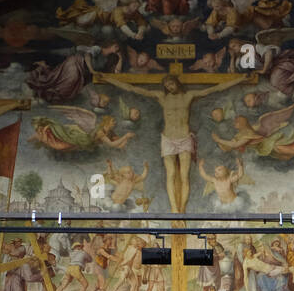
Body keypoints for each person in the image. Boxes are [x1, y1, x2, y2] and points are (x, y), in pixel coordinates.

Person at [99, 72, 249, 212]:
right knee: (170, 174)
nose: (169, 87)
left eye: (171, 83)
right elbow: (133, 88)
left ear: (177, 82)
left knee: (184, 176)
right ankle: (174, 211)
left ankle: (182, 210)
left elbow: (215, 89)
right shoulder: (162, 97)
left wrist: (241, 78)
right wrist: (108, 79)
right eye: (167, 85)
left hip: (184, 138)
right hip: (168, 138)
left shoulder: (189, 96)